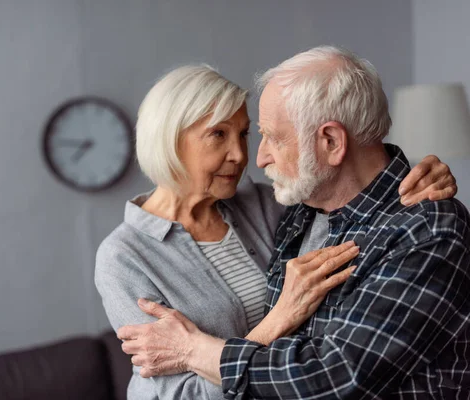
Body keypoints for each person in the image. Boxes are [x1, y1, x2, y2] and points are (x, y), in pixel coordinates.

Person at [117, 46, 470, 399]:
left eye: (272, 137)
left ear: (331, 141)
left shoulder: (427, 229)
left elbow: (334, 378)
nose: (255, 157)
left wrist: (194, 350)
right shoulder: (299, 209)